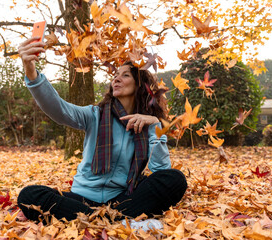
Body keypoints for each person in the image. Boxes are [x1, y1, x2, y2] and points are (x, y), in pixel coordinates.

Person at [17, 37, 187, 224]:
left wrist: (155, 125)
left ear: (140, 84)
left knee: (175, 179)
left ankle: (94, 219)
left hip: (121, 200)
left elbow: (160, 170)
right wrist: (31, 70)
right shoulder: (94, 115)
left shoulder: (148, 125)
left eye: (125, 75)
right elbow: (59, 109)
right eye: (116, 75)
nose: (116, 79)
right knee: (29, 195)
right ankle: (113, 221)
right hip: (81, 199)